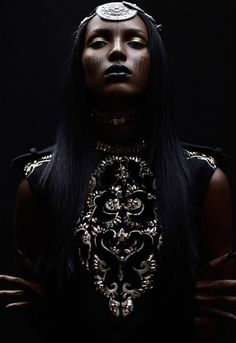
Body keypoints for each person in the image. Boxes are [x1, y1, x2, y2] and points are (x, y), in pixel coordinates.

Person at [0, 2, 235, 342]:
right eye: (98, 42)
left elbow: (217, 314)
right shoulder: (40, 180)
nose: (117, 53)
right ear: (80, 64)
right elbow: (35, 310)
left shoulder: (203, 178)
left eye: (136, 42)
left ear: (156, 62)